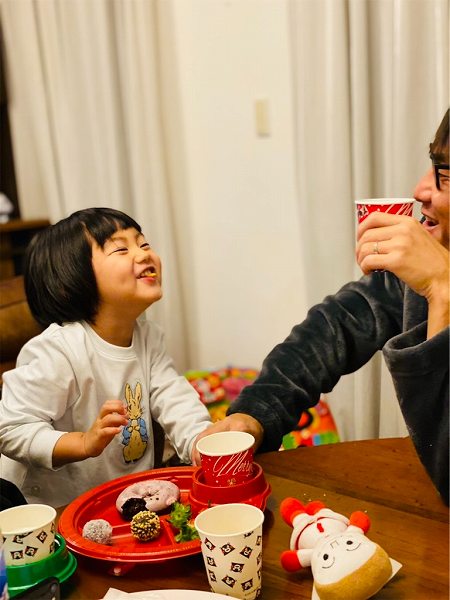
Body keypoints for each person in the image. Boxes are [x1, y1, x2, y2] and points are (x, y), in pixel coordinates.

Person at [195, 109, 449, 505]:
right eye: (432, 167)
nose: (421, 190)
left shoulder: (437, 273)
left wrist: (443, 289)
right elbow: (335, 328)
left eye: (445, 176)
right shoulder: (425, 267)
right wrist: (255, 415)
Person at [0, 208, 211, 507]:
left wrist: (202, 444)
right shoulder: (59, 349)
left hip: (122, 500)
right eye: (122, 248)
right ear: (70, 279)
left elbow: (175, 398)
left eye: (144, 243)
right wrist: (83, 443)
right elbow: (12, 429)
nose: (143, 254)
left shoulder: (148, 336)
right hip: (46, 512)